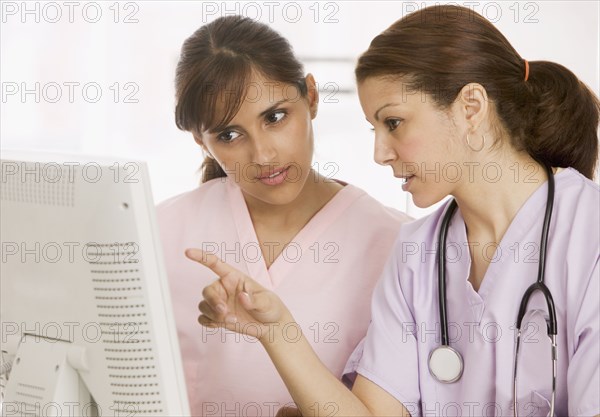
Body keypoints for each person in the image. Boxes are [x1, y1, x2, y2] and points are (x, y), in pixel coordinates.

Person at [188, 5, 600, 417]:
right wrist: (277, 330)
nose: (380, 154)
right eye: (375, 128)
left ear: (471, 108)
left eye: (395, 123)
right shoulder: (416, 254)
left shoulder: (588, 235)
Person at [156, 15, 411, 416]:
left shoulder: (399, 244)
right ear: (200, 142)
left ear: (310, 96)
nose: (263, 155)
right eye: (228, 135)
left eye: (275, 117)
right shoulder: (159, 234)